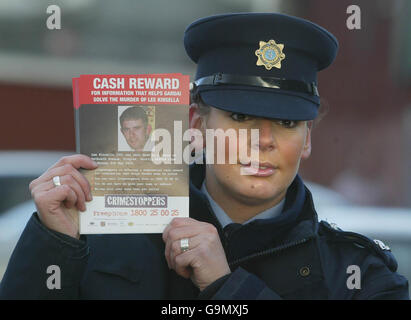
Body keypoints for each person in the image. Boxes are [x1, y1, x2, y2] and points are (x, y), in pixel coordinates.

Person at [0, 13, 408, 300]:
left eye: (286, 123)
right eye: (241, 116)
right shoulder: (101, 236)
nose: (263, 140)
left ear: (307, 139)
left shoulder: (360, 275)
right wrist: (52, 244)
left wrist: (226, 287)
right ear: (195, 122)